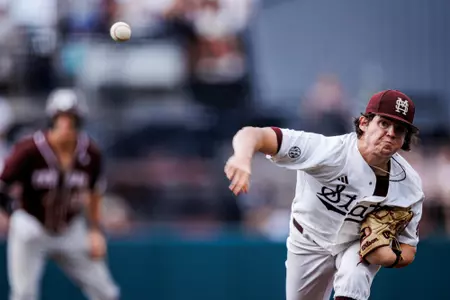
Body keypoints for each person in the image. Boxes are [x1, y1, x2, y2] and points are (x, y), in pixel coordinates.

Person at [224, 90, 424, 300]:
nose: (391, 133)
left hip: (356, 243)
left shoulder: (409, 186)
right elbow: (253, 134)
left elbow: (409, 248)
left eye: (400, 129)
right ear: (364, 123)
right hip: (309, 239)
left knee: (354, 276)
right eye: (384, 123)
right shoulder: (328, 152)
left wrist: (390, 257)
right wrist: (242, 157)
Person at [0, 88, 120, 300]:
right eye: (60, 117)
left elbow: (94, 192)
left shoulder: (90, 154)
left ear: (79, 120)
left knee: (106, 293)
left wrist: (94, 230)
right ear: (51, 119)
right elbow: (2, 184)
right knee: (23, 294)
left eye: (70, 118)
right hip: (32, 224)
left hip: (69, 227)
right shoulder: (30, 149)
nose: (65, 124)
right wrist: (9, 215)